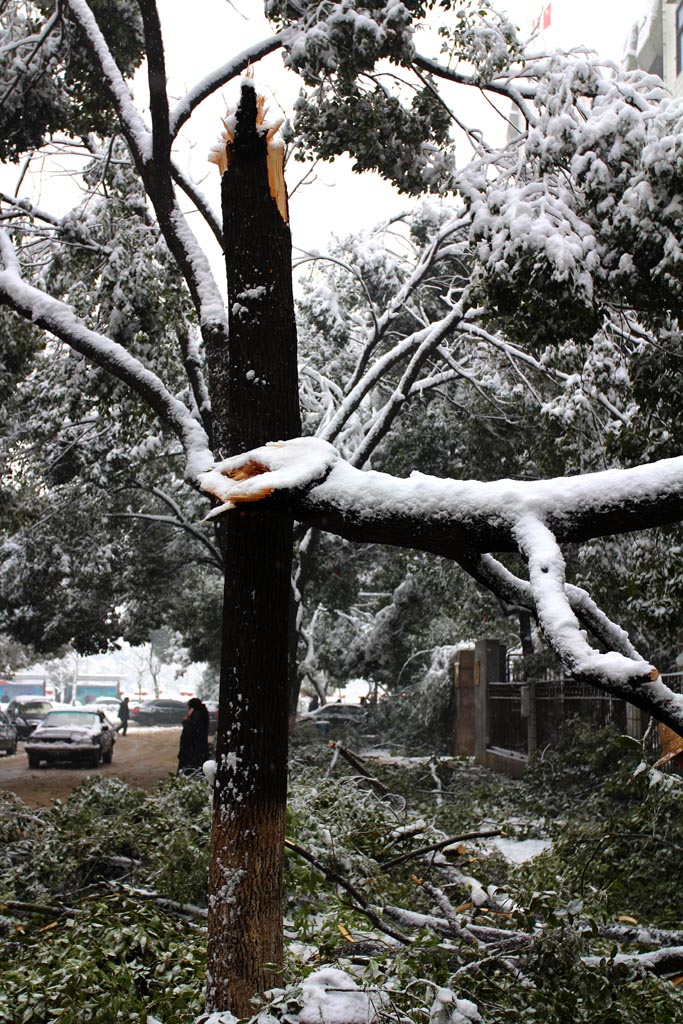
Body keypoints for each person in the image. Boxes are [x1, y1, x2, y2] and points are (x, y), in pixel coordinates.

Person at [177, 698, 210, 776]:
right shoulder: (200, 711)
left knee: (191, 767)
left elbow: (192, 728)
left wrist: (185, 722)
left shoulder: (198, 713)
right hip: (194, 747)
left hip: (193, 748)